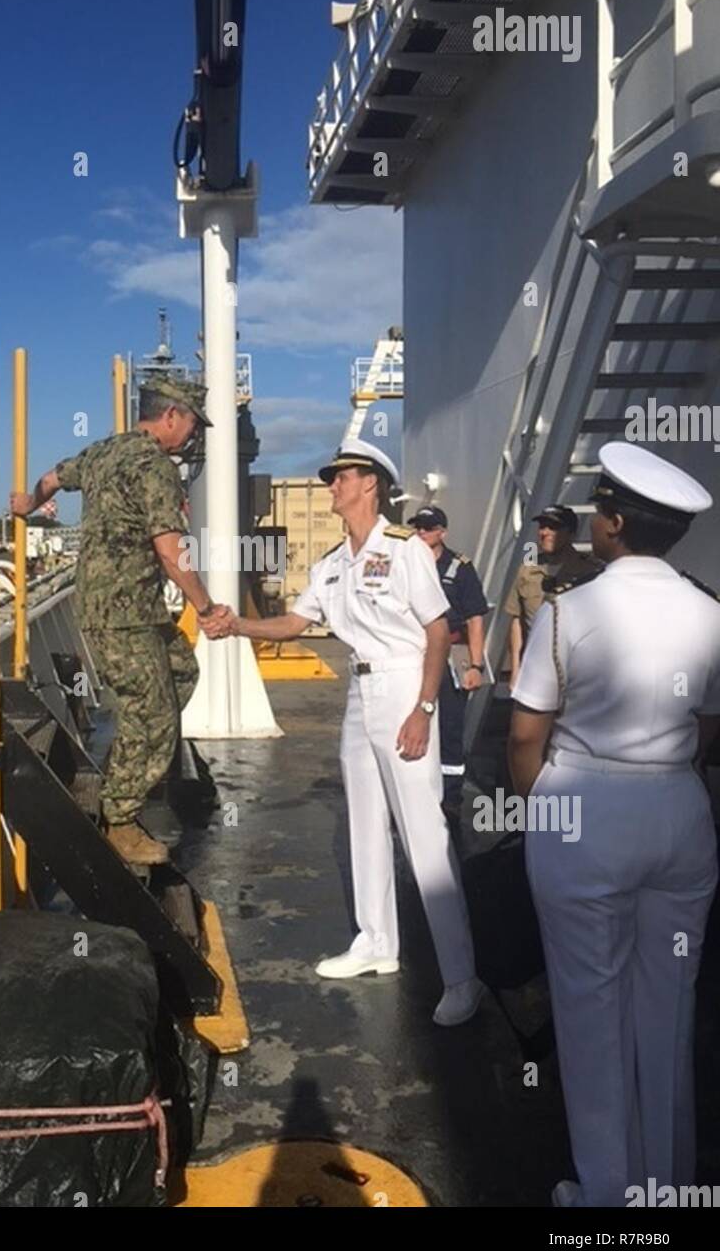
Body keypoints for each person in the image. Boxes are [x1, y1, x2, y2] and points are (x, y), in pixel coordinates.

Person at [508, 442, 720, 1207]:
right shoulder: (708, 610)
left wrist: (539, 814)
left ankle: (606, 1196)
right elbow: (711, 726)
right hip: (678, 811)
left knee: (590, 1005)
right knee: (667, 1004)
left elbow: (526, 733)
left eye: (599, 510)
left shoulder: (569, 612)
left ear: (613, 522)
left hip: (585, 812)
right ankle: (664, 1188)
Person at [214, 439, 485, 1026]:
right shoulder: (333, 564)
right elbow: (295, 622)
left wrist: (424, 709)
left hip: (405, 684)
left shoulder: (406, 549)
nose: (331, 485)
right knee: (364, 822)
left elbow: (440, 631)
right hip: (360, 693)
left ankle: (462, 976)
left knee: (424, 833)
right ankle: (376, 943)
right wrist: (237, 624)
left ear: (371, 484)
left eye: (341, 476)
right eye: (331, 477)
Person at [10, 373, 231, 866]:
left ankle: (129, 764)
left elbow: (52, 478)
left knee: (181, 672)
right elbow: (173, 553)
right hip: (122, 614)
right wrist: (208, 609)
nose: (194, 435)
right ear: (171, 415)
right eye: (193, 423)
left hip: (129, 611)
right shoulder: (156, 467)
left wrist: (28, 503)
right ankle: (121, 818)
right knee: (152, 718)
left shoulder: (103, 452)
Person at [409, 505, 489, 810]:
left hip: (449, 654)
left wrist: (476, 665)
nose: (421, 533)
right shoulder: (405, 562)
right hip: (414, 653)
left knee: (450, 727)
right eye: (417, 527)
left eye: (427, 528)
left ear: (442, 531)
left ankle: (450, 798)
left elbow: (474, 619)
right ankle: (415, 792)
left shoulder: (460, 567)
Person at [505, 504, 599, 686]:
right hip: (536, 666)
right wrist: (516, 669)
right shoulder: (528, 569)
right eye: (542, 527)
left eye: (554, 527)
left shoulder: (589, 571)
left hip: (576, 667)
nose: (545, 532)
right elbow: (517, 620)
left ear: (571, 533)